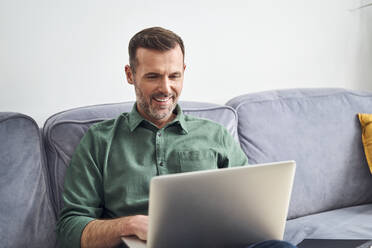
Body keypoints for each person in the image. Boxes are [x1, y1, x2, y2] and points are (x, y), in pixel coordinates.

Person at [56, 27, 296, 248]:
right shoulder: (99, 141)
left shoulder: (215, 134)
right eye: (153, 76)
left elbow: (254, 210)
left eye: (174, 76)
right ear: (130, 74)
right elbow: (69, 230)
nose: (166, 88)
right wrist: (127, 225)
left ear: (183, 72)